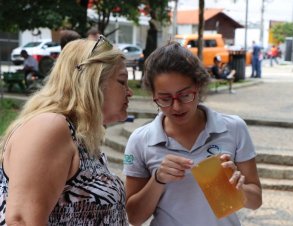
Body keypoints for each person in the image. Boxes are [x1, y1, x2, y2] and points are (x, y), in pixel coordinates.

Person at [123, 41, 262, 226]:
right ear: (153, 96)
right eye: (165, 99)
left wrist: (239, 188)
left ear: (198, 87)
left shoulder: (234, 128)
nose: (176, 106)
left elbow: (256, 201)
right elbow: (134, 217)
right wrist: (157, 179)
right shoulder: (141, 140)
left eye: (185, 95)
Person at [0, 35, 133, 225]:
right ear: (93, 81)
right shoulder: (49, 127)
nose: (130, 92)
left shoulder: (77, 136)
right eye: (122, 81)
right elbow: (21, 220)